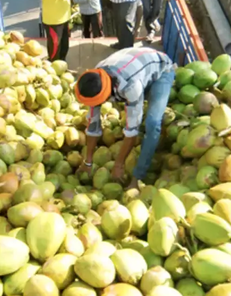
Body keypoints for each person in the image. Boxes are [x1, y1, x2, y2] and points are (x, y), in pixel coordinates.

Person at [74, 47, 175, 190]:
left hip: (161, 69)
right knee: (134, 113)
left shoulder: (130, 86)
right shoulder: (94, 78)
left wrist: (118, 164)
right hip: (136, 67)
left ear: (106, 93)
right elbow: (93, 125)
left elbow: (132, 131)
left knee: (152, 124)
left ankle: (137, 177)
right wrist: (88, 161)